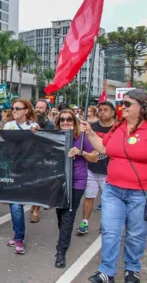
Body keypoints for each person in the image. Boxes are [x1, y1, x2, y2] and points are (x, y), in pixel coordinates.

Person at [84, 90, 147, 283]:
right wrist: (90, 133)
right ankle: (106, 272)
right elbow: (105, 148)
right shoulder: (118, 127)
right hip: (113, 189)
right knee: (110, 231)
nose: (122, 107)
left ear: (143, 107)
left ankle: (132, 269)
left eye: (127, 104)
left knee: (136, 234)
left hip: (142, 192)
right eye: (122, 103)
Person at [54, 109, 98, 268]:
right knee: (60, 212)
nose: (65, 122)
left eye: (69, 119)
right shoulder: (55, 136)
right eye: (62, 120)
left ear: (75, 121)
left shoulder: (81, 137)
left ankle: (61, 251)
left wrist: (81, 152)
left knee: (68, 215)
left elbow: (95, 156)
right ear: (58, 122)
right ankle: (62, 240)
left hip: (77, 182)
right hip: (58, 182)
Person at [0, 99, 39, 254]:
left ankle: (19, 238)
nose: (13, 111)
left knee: (16, 204)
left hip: (27, 171)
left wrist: (38, 135)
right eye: (13, 108)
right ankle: (17, 235)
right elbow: (2, 145)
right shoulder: (8, 126)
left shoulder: (33, 127)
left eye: (17, 108)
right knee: (14, 204)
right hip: (11, 169)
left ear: (26, 110)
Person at [76, 101, 116, 235]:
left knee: (108, 200)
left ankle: (104, 223)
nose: (102, 112)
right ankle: (84, 222)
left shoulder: (117, 128)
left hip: (109, 172)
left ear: (113, 112)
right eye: (100, 110)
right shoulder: (91, 127)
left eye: (106, 109)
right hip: (91, 169)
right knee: (89, 196)